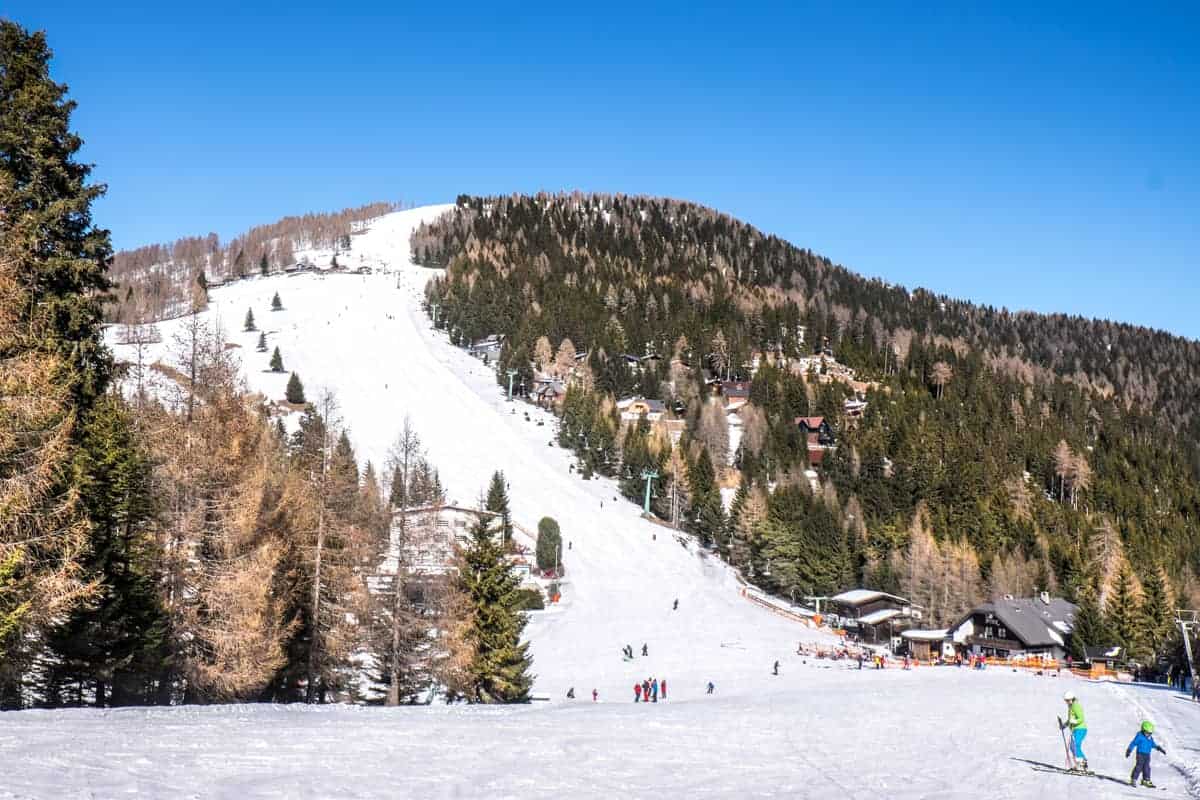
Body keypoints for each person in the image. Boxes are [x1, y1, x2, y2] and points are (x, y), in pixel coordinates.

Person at [1126, 719, 1166, 788]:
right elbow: (1133, 743)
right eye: (1147, 733)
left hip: (1147, 755)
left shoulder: (1150, 738)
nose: (1148, 734)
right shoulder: (1139, 736)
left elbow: (1152, 744)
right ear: (1143, 730)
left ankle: (1146, 780)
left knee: (1147, 767)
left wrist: (1158, 748)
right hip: (1140, 754)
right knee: (1139, 767)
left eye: (1150, 733)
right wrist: (1129, 750)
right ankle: (1133, 779)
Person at [1061, 691, 1089, 772]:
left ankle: (1083, 763)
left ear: (1071, 699)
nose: (1066, 702)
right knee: (1072, 747)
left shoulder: (1076, 706)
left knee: (1076, 746)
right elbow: (1070, 720)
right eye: (1065, 700)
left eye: (1067, 700)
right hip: (1074, 729)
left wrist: (1074, 721)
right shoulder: (1070, 707)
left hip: (1080, 729)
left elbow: (1081, 718)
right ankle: (1078, 764)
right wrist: (1064, 725)